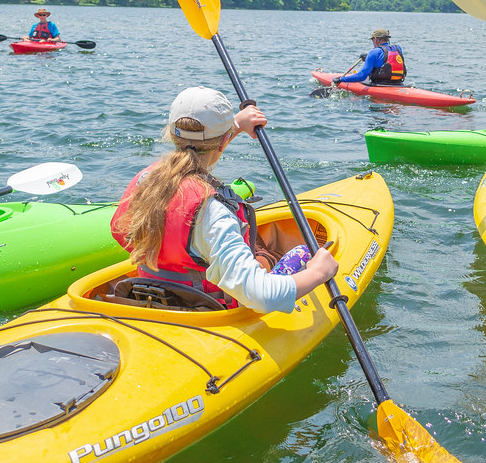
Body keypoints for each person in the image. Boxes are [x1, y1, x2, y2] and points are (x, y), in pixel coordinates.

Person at [111, 86, 338, 313]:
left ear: (172, 135)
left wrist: (237, 124)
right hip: (206, 311)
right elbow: (263, 296)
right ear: (223, 142)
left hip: (151, 297)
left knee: (256, 251)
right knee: (304, 252)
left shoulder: (145, 182)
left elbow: (196, 150)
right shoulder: (212, 213)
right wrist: (319, 272)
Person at [334, 29, 406, 86]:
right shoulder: (398, 49)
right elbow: (386, 57)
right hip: (399, 84)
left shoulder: (373, 52)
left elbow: (362, 76)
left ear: (375, 39)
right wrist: (368, 57)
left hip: (380, 85)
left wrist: (341, 79)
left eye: (372, 40)